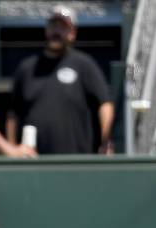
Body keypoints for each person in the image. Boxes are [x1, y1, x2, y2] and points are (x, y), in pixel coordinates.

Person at [6, 5, 115, 155]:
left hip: (75, 161)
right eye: (53, 26)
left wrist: (106, 140)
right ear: (46, 30)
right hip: (33, 161)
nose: (56, 31)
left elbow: (105, 104)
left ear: (72, 33)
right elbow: (13, 114)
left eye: (62, 27)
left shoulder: (84, 65)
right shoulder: (27, 68)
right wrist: (11, 149)